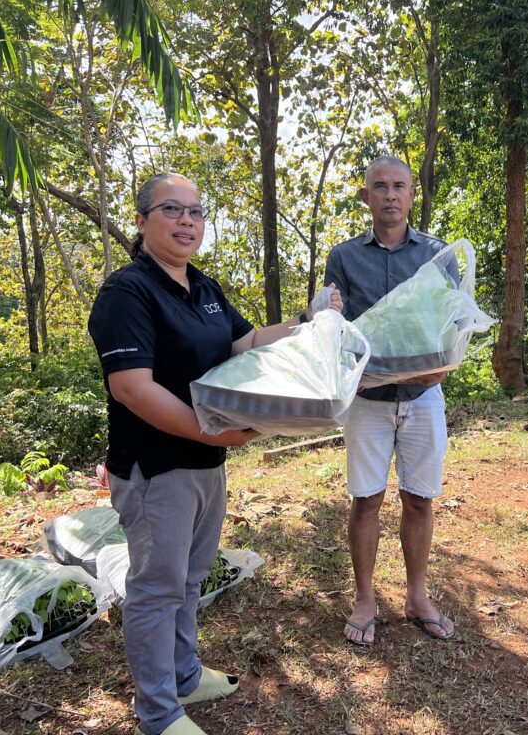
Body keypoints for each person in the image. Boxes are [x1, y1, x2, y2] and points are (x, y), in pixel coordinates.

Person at [88, 173, 341, 735]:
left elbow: (244, 344)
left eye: (196, 211)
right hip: (157, 467)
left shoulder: (204, 288)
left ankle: (184, 676)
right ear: (141, 221)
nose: (187, 220)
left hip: (206, 463)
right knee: (157, 589)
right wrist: (211, 433)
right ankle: (159, 713)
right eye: (171, 209)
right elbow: (132, 388)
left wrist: (308, 322)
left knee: (189, 578)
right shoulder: (127, 292)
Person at [323, 156, 455, 647]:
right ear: (366, 197)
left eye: (400, 186)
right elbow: (333, 324)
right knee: (366, 500)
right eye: (380, 186)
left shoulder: (438, 254)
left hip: (424, 396)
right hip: (367, 400)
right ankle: (365, 599)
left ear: (413, 193)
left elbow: (454, 320)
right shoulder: (343, 257)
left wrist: (444, 364)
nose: (391, 195)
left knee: (419, 499)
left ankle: (417, 596)